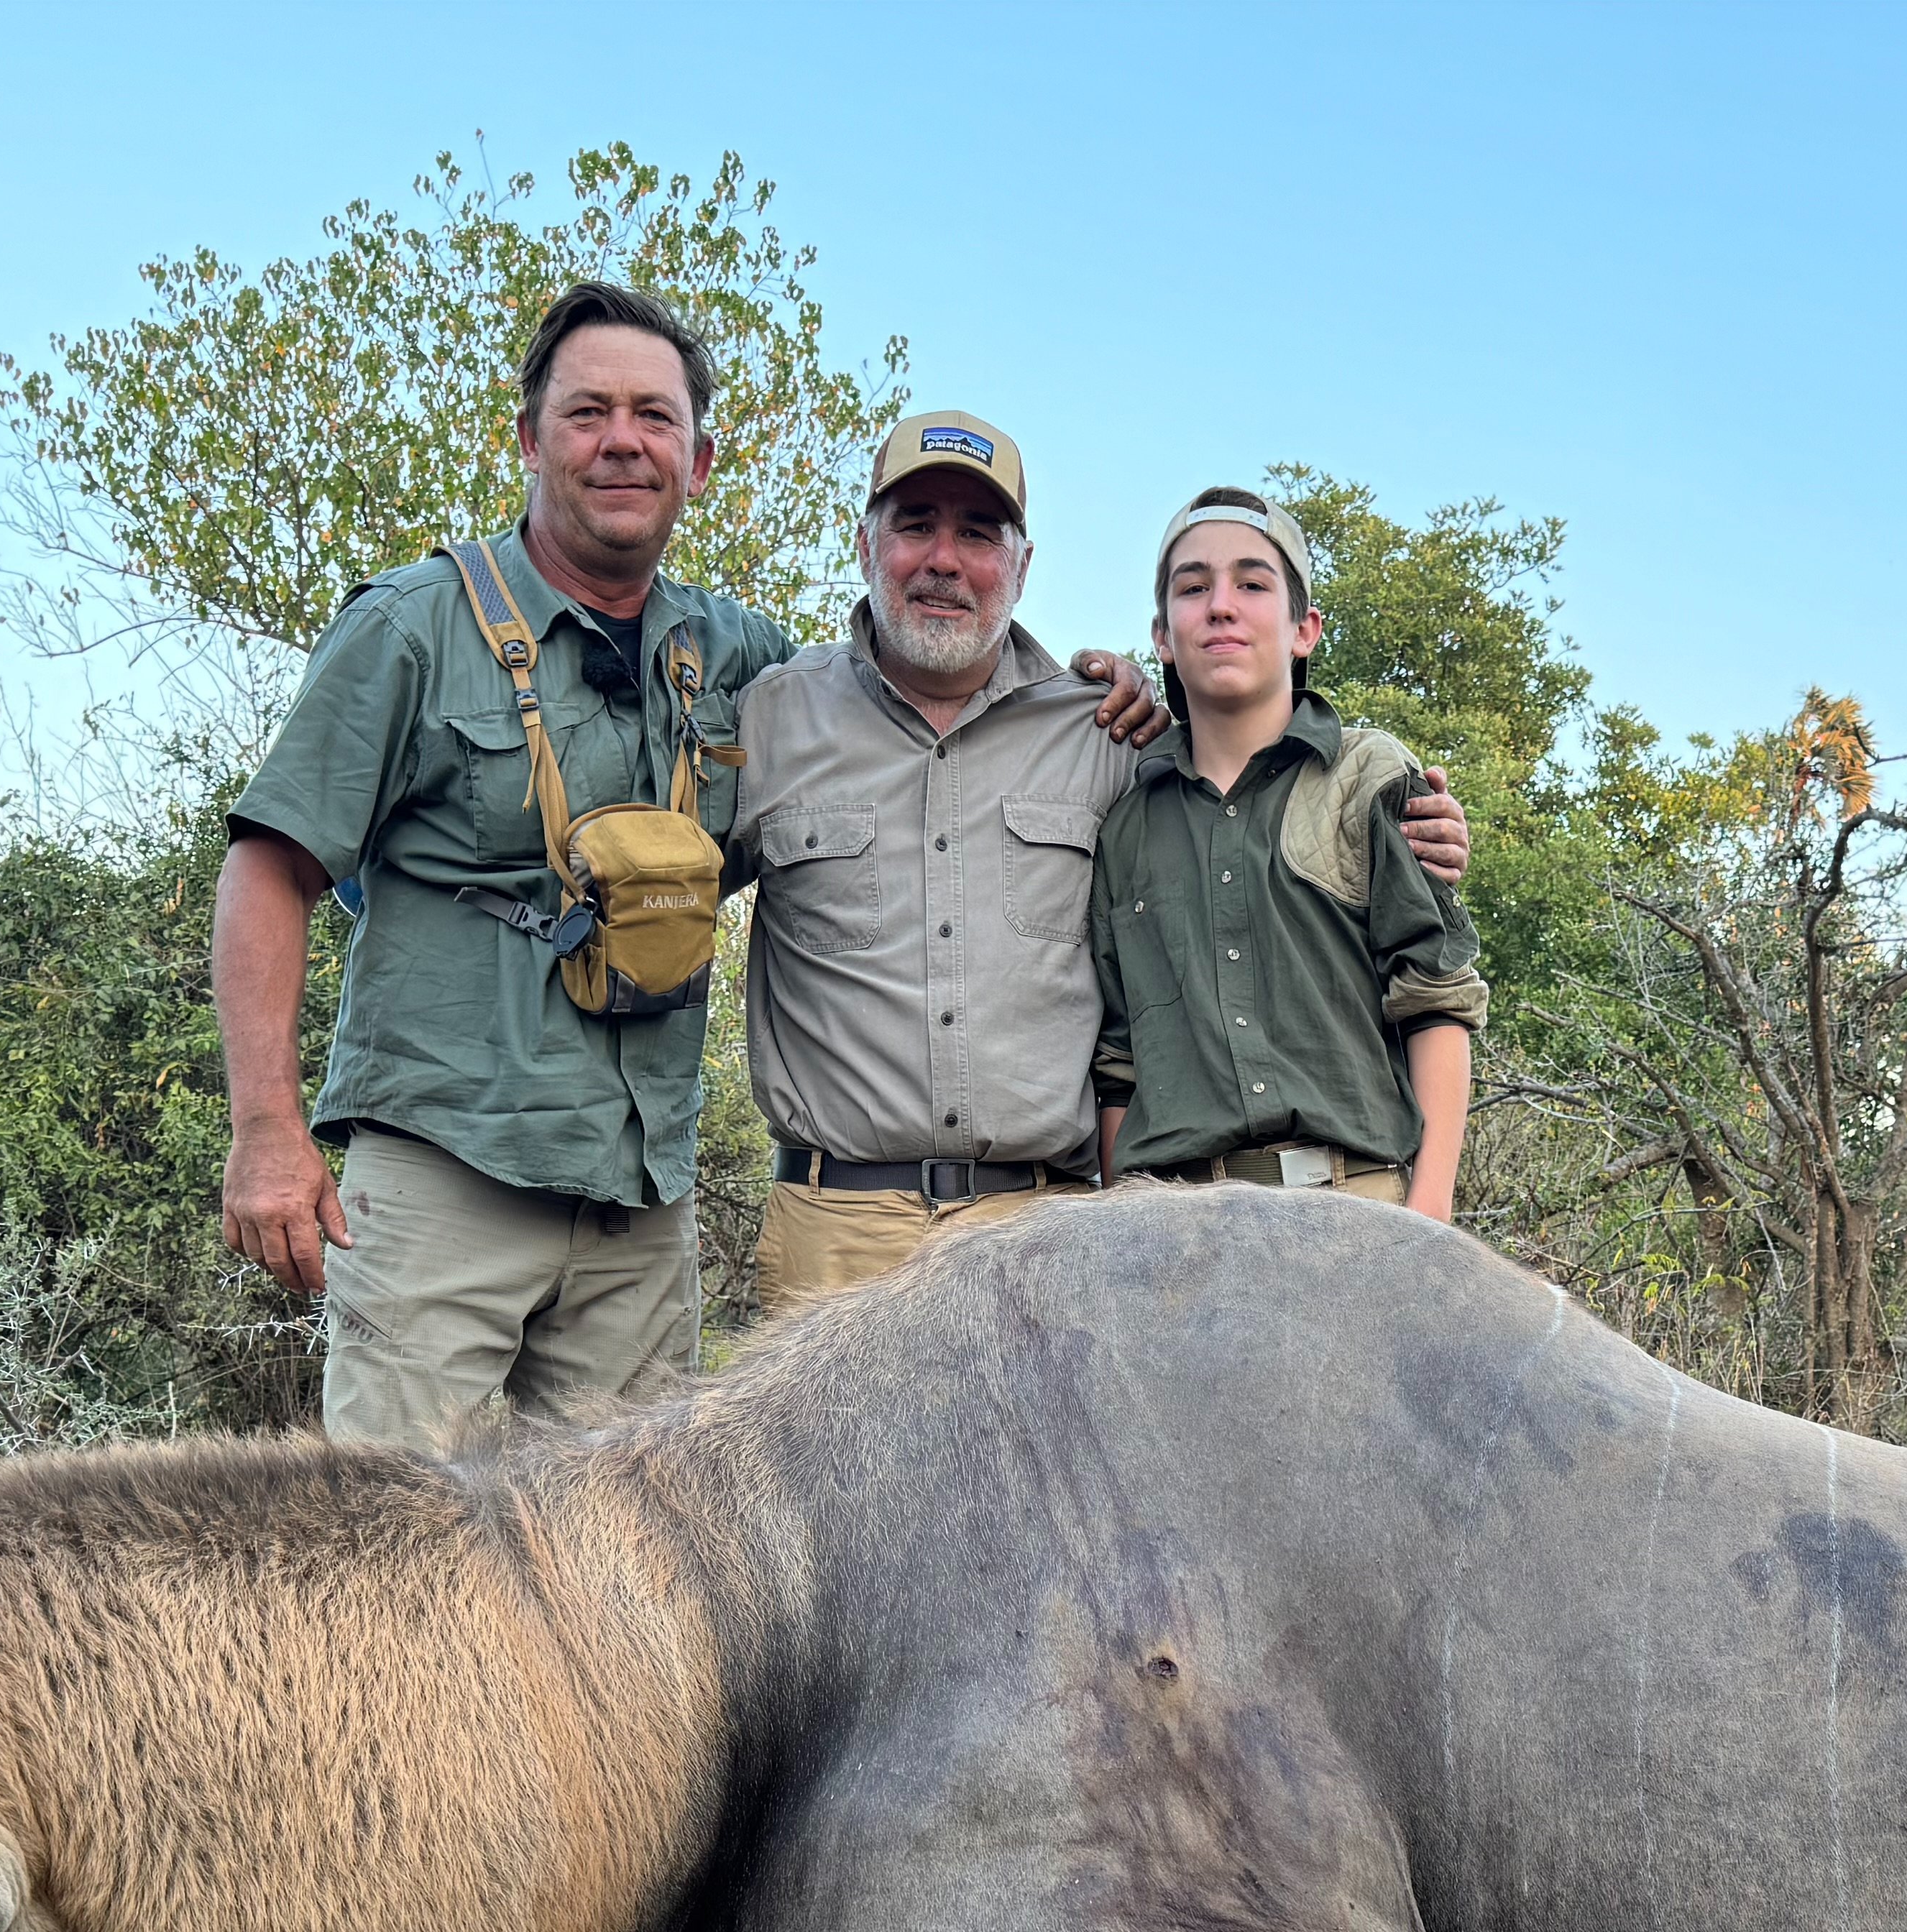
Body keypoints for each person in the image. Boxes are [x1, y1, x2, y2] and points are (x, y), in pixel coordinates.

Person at [208, 294, 1157, 1436]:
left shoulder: (740, 660)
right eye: (589, 411)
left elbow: (896, 708)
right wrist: (268, 1127)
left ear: (697, 461)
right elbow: (272, 865)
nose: (623, 440)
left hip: (638, 1209)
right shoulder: (415, 625)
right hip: (445, 1175)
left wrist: (1130, 691)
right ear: (529, 438)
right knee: (404, 1556)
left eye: (654, 417)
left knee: (628, 1582)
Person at [725, 416, 1466, 1320]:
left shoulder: (1107, 733)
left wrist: (1415, 824)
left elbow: (1241, 806)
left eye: (979, 534)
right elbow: (665, 906)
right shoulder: (765, 722)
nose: (944, 560)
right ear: (866, 544)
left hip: (1047, 1233)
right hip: (833, 1234)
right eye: (915, 523)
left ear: (1024, 564)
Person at [1090, 487, 1484, 1216]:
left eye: (1251, 583)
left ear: (1305, 629)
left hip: (1354, 1213)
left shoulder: (1371, 778)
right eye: (1193, 587)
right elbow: (1117, 1070)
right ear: (1163, 637)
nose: (1220, 605)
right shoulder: (1125, 826)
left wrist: (1428, 1225)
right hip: (1172, 1232)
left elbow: (1435, 1004)